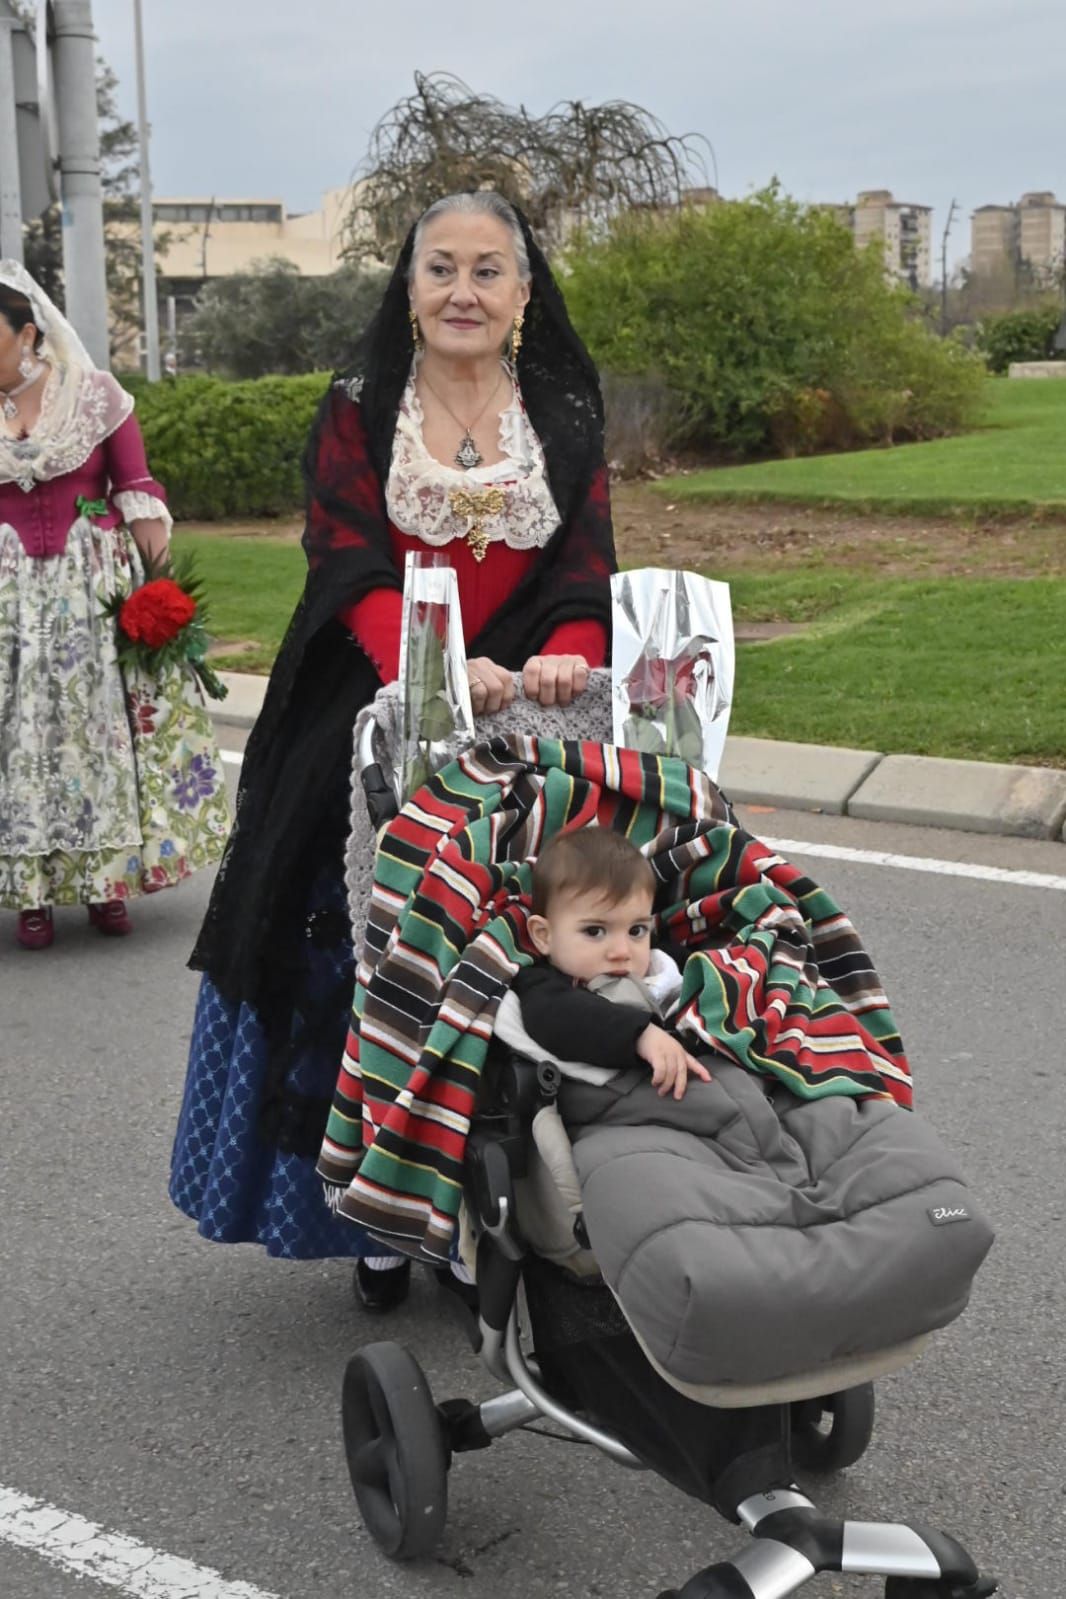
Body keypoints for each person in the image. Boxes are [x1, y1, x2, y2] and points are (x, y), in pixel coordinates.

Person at [169, 192, 617, 1307]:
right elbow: (347, 558)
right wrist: (424, 667)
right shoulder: (360, 408)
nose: (463, 291)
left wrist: (564, 651)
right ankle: (375, 1216)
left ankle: (495, 1200)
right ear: (408, 286)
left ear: (522, 293)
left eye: (488, 271)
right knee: (362, 949)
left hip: (520, 707)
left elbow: (584, 564)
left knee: (518, 948)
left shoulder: (560, 412)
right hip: (370, 694)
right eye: (441, 270)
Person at [0, 262, 228, 950]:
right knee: (22, 740)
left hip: (89, 593)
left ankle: (107, 882)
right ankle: (30, 895)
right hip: (10, 599)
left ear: (28, 334)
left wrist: (161, 592)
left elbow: (137, 493)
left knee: (98, 737)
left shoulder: (96, 398)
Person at [513, 827, 713, 1103]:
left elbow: (716, 977)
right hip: (611, 1109)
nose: (622, 952)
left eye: (636, 931)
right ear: (544, 936)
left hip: (703, 1088)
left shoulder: (666, 962)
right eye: (595, 931)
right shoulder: (544, 986)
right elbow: (561, 1019)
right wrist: (641, 1035)